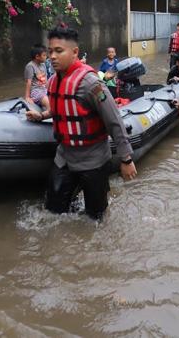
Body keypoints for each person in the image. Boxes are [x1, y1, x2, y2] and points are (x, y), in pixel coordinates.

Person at [26, 26, 136, 220]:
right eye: (50, 51)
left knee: (96, 217)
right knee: (53, 211)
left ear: (75, 52)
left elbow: (114, 120)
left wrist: (126, 158)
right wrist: (42, 116)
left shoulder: (91, 83)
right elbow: (60, 109)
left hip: (93, 159)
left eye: (59, 51)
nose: (52, 56)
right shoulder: (52, 81)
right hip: (65, 157)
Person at [24, 45, 50, 111]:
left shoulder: (43, 65)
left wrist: (49, 90)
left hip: (43, 89)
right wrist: (27, 97)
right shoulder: (30, 66)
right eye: (44, 55)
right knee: (48, 103)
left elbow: (45, 80)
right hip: (36, 91)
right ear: (37, 56)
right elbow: (28, 82)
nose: (46, 57)